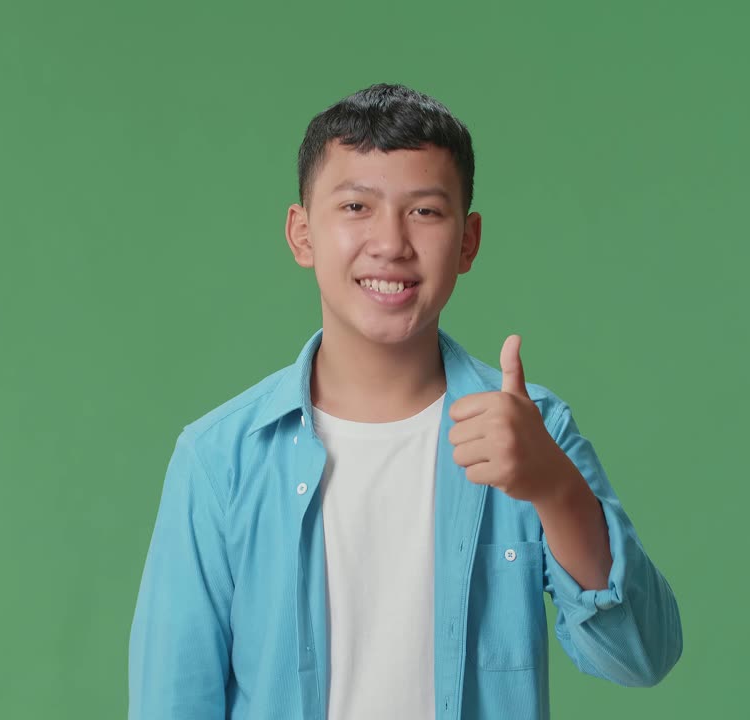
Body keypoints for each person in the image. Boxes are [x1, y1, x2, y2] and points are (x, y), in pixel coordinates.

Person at [128, 82, 682, 720]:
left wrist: (554, 486)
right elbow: (172, 701)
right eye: (357, 206)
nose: (390, 242)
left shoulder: (531, 429)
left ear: (468, 242)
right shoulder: (219, 458)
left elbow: (642, 657)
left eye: (425, 211)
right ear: (302, 234)